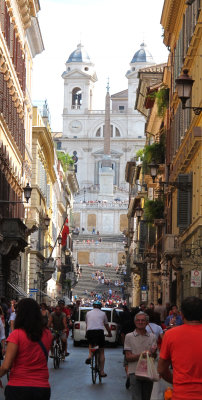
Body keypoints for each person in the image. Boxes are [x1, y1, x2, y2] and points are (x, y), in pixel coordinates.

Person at [0, 298, 52, 400]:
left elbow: (6, 366)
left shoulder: (16, 334)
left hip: (18, 388)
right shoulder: (47, 334)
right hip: (42, 388)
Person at [158, 296, 202, 400]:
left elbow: (161, 369)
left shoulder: (170, 335)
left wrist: (177, 381)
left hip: (181, 395)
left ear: (181, 314)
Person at [124, 311, 157, 400]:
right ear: (135, 322)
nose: (140, 322)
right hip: (134, 372)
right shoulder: (129, 336)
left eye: (143, 320)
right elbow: (128, 357)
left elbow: (154, 357)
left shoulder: (152, 337)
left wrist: (153, 353)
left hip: (148, 372)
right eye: (138, 320)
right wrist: (143, 354)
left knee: (147, 397)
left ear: (147, 322)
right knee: (136, 397)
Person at [85, 300, 112, 377]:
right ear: (100, 307)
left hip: (90, 332)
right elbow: (106, 325)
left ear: (93, 306)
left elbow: (87, 324)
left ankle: (90, 356)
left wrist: (86, 333)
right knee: (101, 351)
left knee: (91, 344)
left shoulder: (88, 313)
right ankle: (102, 371)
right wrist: (109, 333)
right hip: (99, 332)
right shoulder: (103, 314)